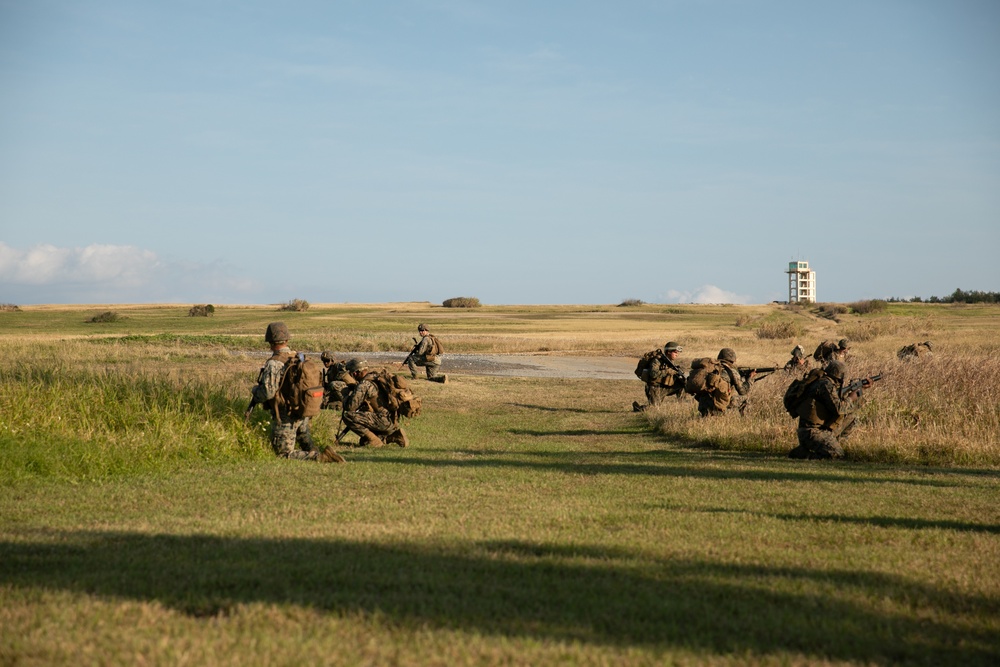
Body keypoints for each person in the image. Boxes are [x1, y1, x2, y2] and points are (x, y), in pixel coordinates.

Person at [251, 323, 344, 463]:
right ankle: (320, 452)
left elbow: (268, 392)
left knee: (282, 453)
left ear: (270, 341)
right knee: (304, 439)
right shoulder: (298, 357)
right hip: (301, 408)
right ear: (287, 340)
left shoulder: (274, 363)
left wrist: (255, 391)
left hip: (285, 414)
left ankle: (320, 457)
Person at [787, 360, 857, 460]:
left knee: (852, 418)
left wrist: (859, 391)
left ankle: (832, 444)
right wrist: (851, 398)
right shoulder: (825, 384)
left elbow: (838, 407)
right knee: (836, 454)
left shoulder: (824, 382)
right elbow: (839, 409)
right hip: (811, 432)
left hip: (818, 429)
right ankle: (802, 454)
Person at [341, 358, 410, 448]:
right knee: (364, 442)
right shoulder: (376, 377)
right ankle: (394, 436)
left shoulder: (364, 384)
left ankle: (374, 441)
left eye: (352, 373)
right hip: (392, 420)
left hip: (382, 421)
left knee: (348, 416)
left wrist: (346, 396)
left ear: (355, 373)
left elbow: (350, 407)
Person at [693, 348, 755, 417]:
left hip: (703, 405)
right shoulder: (732, 371)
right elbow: (742, 391)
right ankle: (745, 420)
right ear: (732, 359)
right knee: (746, 400)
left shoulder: (709, 369)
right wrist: (750, 379)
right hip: (718, 405)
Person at [633, 341, 686, 412]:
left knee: (683, 385)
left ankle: (681, 408)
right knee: (654, 409)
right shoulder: (657, 360)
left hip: (665, 386)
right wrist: (668, 371)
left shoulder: (670, 362)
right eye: (675, 352)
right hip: (654, 388)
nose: (677, 354)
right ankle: (639, 409)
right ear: (669, 352)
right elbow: (653, 374)